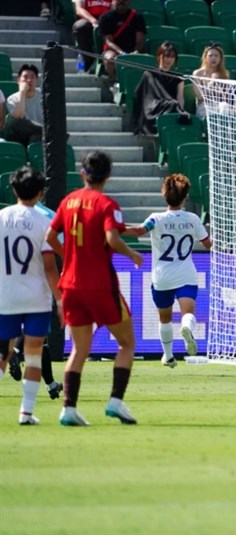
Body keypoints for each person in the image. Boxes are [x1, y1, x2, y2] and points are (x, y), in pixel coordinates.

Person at [46, 150, 144, 426]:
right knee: (126, 343)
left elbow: (50, 236)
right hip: (100, 285)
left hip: (71, 285)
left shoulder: (68, 201)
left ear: (83, 174)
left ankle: (68, 408)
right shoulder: (107, 204)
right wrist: (132, 254)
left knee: (79, 349)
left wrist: (67, 256)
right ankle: (115, 401)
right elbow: (111, 238)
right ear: (109, 175)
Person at [124, 174, 212, 368]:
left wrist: (115, 227)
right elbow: (207, 244)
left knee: (164, 318)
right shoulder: (193, 219)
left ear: (165, 195)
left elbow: (138, 231)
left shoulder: (156, 219)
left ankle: (169, 356)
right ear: (185, 196)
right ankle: (187, 328)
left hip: (162, 277)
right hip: (186, 274)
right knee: (188, 312)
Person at [0, 167, 63, 424]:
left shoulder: (2, 217)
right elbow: (50, 266)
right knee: (34, 352)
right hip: (36, 297)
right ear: (40, 192)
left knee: (3, 354)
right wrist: (60, 300)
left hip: (7, 296)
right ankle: (26, 412)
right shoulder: (45, 222)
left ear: (13, 189)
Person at [132, 41, 185, 136]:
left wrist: (181, 110)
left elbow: (180, 97)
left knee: (174, 106)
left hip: (171, 106)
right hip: (154, 106)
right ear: (159, 56)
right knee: (171, 104)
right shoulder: (149, 74)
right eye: (167, 56)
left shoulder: (178, 77)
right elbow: (144, 96)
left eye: (172, 57)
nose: (169, 60)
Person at [97, 0, 146, 80]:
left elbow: (139, 41)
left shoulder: (137, 17)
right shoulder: (105, 18)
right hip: (114, 50)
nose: (121, 2)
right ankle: (114, 80)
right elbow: (108, 42)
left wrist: (135, 53)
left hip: (133, 49)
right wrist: (122, 53)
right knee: (110, 59)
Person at [5, 64, 44, 147]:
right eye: (25, 77)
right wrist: (22, 93)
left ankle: (41, 131)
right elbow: (19, 116)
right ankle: (43, 130)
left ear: (37, 80)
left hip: (38, 138)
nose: (29, 80)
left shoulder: (43, 99)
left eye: (32, 77)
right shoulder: (12, 99)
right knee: (17, 122)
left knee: (35, 137)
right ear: (19, 80)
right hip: (18, 137)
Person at [73, 0, 112, 74]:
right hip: (89, 18)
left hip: (108, 18)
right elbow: (79, 9)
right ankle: (88, 60)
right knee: (80, 26)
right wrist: (93, 20)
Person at [192, 43, 230, 120]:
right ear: (205, 57)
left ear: (220, 58)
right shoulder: (198, 73)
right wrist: (212, 83)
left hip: (220, 104)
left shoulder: (225, 74)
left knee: (225, 106)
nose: (213, 58)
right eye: (210, 55)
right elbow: (199, 97)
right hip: (204, 105)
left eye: (216, 56)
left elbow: (228, 96)